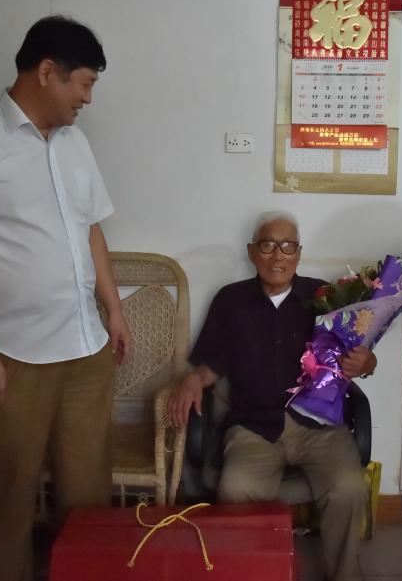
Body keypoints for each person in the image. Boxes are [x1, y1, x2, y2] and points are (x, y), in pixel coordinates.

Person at [0, 15, 132, 581]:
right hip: (12, 353)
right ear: (46, 72)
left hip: (84, 347)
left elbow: (91, 229)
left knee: (87, 493)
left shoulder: (74, 142)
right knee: (8, 494)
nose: (87, 98)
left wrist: (113, 310)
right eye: (83, 84)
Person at [167, 211, 374, 581]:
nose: (278, 255)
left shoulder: (324, 297)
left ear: (299, 253)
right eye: (268, 245)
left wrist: (366, 362)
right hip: (254, 427)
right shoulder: (231, 300)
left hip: (319, 427)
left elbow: (357, 355)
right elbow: (212, 362)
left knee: (349, 489)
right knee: (236, 489)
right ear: (252, 252)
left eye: (288, 246)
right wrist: (194, 379)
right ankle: (252, 571)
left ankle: (342, 576)